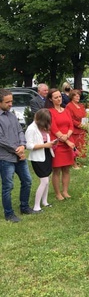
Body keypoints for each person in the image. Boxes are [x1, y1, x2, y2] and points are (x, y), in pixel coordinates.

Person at [0, 88, 33, 222]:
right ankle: (9, 214)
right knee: (8, 186)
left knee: (27, 180)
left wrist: (22, 145)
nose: (10, 104)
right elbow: (1, 139)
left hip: (19, 155)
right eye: (7, 102)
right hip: (5, 158)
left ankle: (24, 207)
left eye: (11, 101)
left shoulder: (11, 115)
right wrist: (16, 149)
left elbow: (20, 131)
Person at [45, 89, 76, 200]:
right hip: (58, 143)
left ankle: (65, 191)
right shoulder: (50, 112)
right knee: (57, 169)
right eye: (56, 97)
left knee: (67, 169)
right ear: (50, 99)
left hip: (68, 141)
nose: (59, 99)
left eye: (60, 96)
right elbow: (53, 128)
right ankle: (58, 193)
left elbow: (71, 126)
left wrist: (68, 135)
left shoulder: (66, 110)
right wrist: (65, 140)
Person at [25, 109, 56, 212]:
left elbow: (45, 140)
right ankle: (36, 206)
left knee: (47, 180)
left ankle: (45, 201)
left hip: (46, 154)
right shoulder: (31, 129)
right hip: (38, 157)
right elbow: (29, 146)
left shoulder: (42, 127)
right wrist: (45, 145)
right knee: (44, 181)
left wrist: (51, 143)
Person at [65, 90, 88, 166]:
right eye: (76, 95)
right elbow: (70, 119)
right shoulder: (69, 106)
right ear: (72, 97)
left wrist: (86, 124)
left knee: (83, 146)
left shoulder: (81, 105)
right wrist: (80, 125)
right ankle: (75, 162)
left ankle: (80, 162)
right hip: (75, 130)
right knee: (76, 146)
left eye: (79, 95)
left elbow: (85, 116)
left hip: (83, 129)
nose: (78, 97)